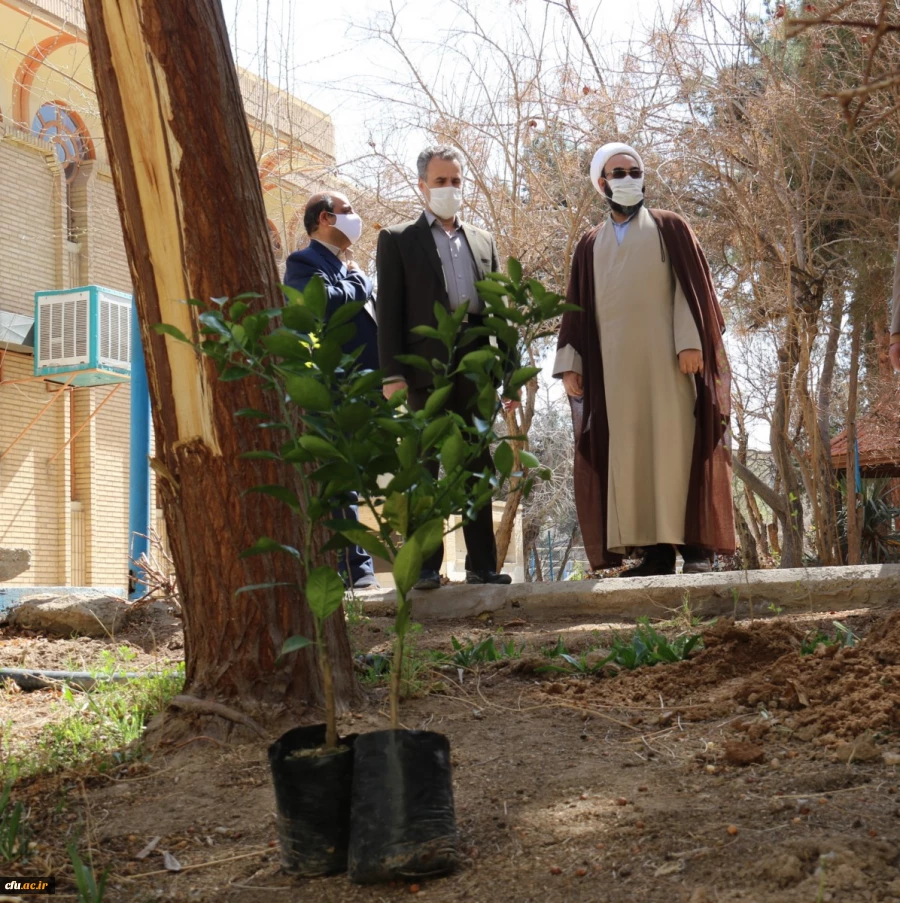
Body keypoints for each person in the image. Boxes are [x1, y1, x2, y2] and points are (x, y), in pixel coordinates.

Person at [554, 142, 735, 577]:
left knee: (676, 449)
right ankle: (655, 555)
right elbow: (576, 308)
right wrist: (571, 363)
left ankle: (695, 551)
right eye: (618, 173)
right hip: (614, 374)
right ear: (602, 184)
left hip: (669, 364)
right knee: (631, 457)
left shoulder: (671, 227)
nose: (628, 179)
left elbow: (692, 288)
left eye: (634, 171)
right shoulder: (589, 245)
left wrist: (690, 341)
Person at [376, 145, 514, 590]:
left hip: (477, 362)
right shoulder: (398, 239)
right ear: (423, 186)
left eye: (455, 181)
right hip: (424, 366)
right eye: (440, 181)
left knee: (477, 463)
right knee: (426, 464)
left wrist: (510, 373)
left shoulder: (483, 239)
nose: (449, 188)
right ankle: (425, 567)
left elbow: (500, 310)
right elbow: (389, 311)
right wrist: (392, 373)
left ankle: (482, 566)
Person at [284, 191, 380, 589]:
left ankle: (358, 567)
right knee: (340, 480)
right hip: (332, 388)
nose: (355, 218)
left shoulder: (344, 267)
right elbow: (322, 303)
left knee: (357, 476)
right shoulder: (303, 262)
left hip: (365, 387)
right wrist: (360, 280)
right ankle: (354, 569)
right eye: (347, 211)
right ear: (325, 218)